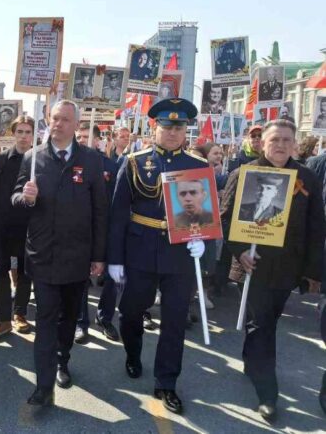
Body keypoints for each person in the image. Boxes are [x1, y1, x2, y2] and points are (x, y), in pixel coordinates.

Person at [108, 98, 209, 414]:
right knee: (130, 312)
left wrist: (203, 241)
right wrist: (114, 258)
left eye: (179, 127)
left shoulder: (197, 165)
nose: (173, 132)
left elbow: (203, 212)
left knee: (175, 321)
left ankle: (167, 382)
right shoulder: (135, 162)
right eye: (167, 126)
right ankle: (133, 353)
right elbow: (118, 214)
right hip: (140, 249)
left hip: (180, 254)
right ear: (155, 127)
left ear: (185, 130)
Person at [220, 119, 324, 421]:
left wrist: (313, 272)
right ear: (262, 143)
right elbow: (225, 219)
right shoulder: (244, 174)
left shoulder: (306, 177)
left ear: (295, 144)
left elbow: (316, 226)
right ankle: (268, 393)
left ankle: (252, 359)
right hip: (255, 265)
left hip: (289, 267)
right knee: (262, 325)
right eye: (275, 139)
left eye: (286, 140)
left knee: (266, 321)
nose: (280, 145)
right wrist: (240, 251)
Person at [12, 100, 108, 407]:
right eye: (54, 118)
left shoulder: (91, 160)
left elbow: (100, 210)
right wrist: (25, 198)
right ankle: (43, 386)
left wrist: (98, 255)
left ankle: (62, 360)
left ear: (77, 125)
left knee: (68, 319)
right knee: (45, 318)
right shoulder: (33, 157)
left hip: (76, 256)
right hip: (42, 254)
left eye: (65, 119)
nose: (58, 123)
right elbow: (15, 197)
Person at [0, 115, 34, 338]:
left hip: (30, 227)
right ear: (13, 133)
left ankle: (20, 314)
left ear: (33, 135)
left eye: (28, 132)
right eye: (20, 132)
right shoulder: (0, 160)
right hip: (3, 227)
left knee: (25, 272)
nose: (24, 136)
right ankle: (3, 319)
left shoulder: (39, 161)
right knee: (1, 272)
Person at [74, 124, 120, 344]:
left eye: (86, 136)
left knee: (112, 277)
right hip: (83, 228)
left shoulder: (111, 165)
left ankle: (105, 317)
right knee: (80, 277)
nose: (81, 140)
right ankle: (80, 322)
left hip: (108, 227)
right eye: (79, 136)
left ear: (97, 140)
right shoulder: (73, 162)